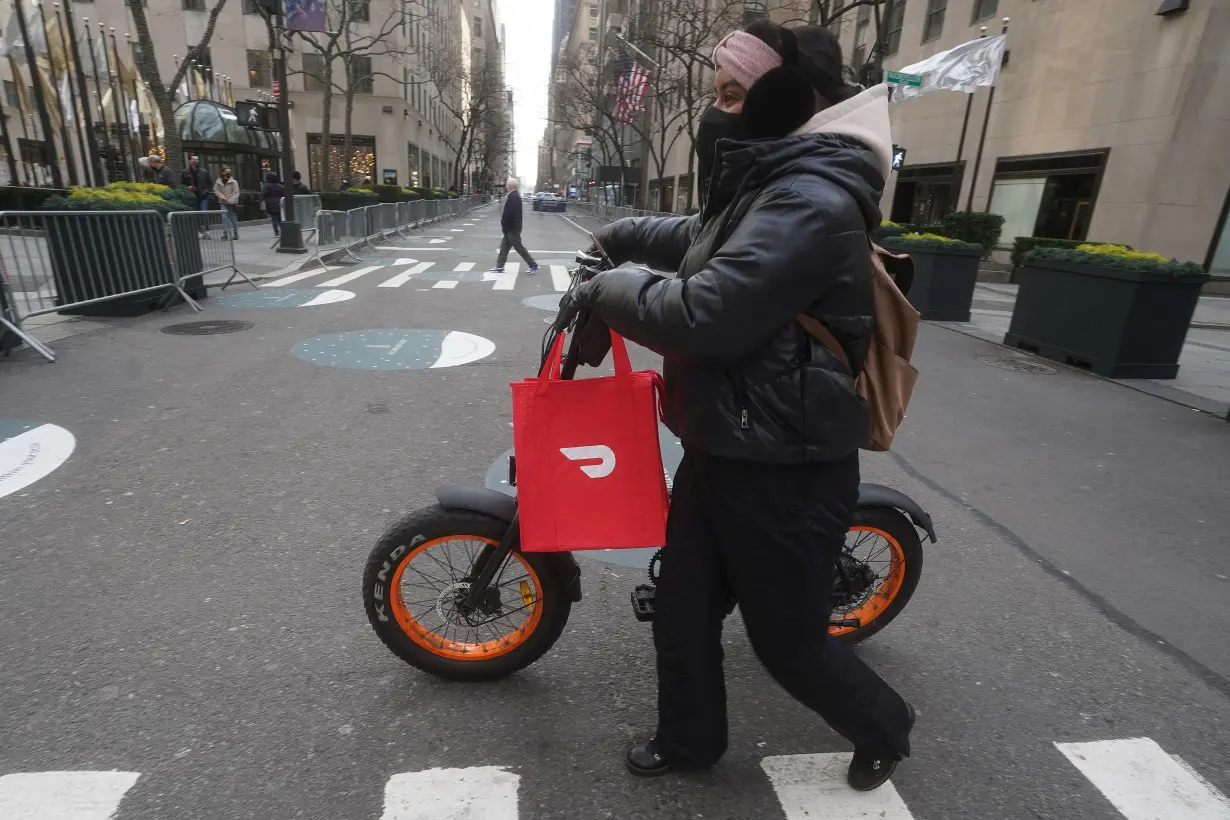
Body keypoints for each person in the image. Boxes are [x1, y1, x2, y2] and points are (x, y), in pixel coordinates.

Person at [568, 21, 914, 791]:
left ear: (788, 102)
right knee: (684, 610)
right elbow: (702, 237)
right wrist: (625, 235)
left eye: (733, 95)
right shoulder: (774, 183)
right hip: (724, 444)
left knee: (786, 644)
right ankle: (690, 741)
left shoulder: (813, 200)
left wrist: (607, 288)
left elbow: (706, 313)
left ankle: (886, 725)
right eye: (715, 94)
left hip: (785, 471)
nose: (716, 113)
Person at [491, 177, 539, 275]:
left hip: (512, 228)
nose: (506, 186)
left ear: (510, 186)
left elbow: (509, 213)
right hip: (511, 227)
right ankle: (499, 266)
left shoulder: (513, 197)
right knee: (504, 247)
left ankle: (533, 265)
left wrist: (504, 222)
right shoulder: (514, 196)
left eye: (507, 185)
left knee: (519, 247)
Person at [213, 167, 241, 240]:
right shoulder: (218, 181)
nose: (228, 173)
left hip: (232, 203)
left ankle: (235, 233)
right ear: (223, 172)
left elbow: (236, 192)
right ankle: (225, 233)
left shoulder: (234, 182)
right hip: (223, 202)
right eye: (226, 171)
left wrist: (231, 200)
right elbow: (216, 190)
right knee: (224, 217)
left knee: (233, 218)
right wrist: (222, 197)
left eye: (229, 171)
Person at [261, 172, 285, 238]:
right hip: (280, 204)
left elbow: (263, 194)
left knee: (274, 219)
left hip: (270, 204)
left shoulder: (266, 186)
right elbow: (283, 194)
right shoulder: (280, 186)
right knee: (280, 219)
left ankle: (276, 233)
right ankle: (283, 231)